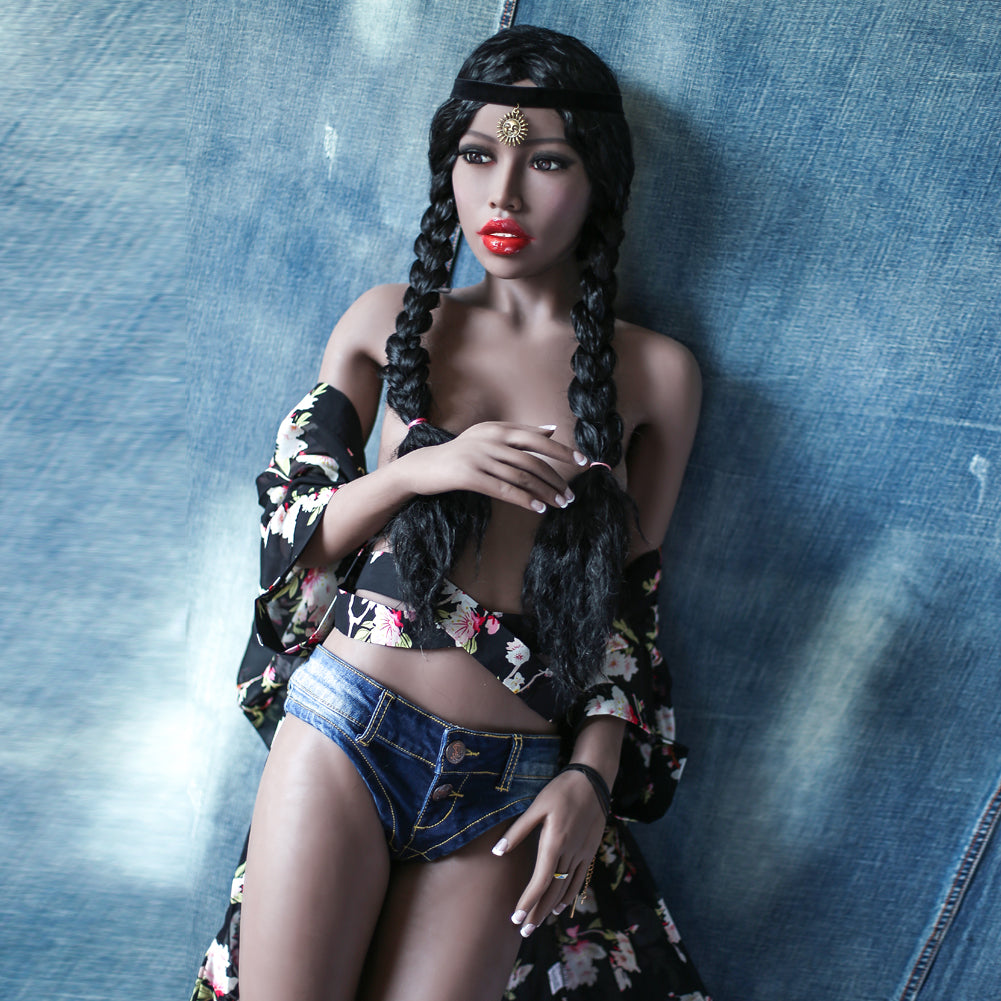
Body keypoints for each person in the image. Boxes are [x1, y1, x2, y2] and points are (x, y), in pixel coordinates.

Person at [192, 24, 708, 1001]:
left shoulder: (658, 377)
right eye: (478, 155)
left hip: (511, 783)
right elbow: (289, 534)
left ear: (597, 177)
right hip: (346, 729)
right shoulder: (385, 321)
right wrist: (422, 471)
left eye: (545, 161)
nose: (502, 194)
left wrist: (591, 776)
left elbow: (628, 615)